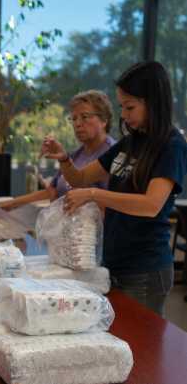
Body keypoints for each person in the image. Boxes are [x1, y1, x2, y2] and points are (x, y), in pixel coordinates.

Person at [40, 60, 187, 316]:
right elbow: (80, 177)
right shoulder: (129, 143)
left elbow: (151, 205)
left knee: (141, 350)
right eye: (121, 106)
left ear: (153, 101)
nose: (123, 115)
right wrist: (64, 158)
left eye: (129, 106)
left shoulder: (170, 146)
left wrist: (94, 195)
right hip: (113, 263)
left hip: (145, 269)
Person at [0, 90, 116, 211]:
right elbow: (51, 191)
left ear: (104, 121)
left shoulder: (113, 154)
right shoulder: (73, 155)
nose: (78, 123)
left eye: (85, 117)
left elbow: (113, 206)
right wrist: (11, 204)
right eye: (74, 118)